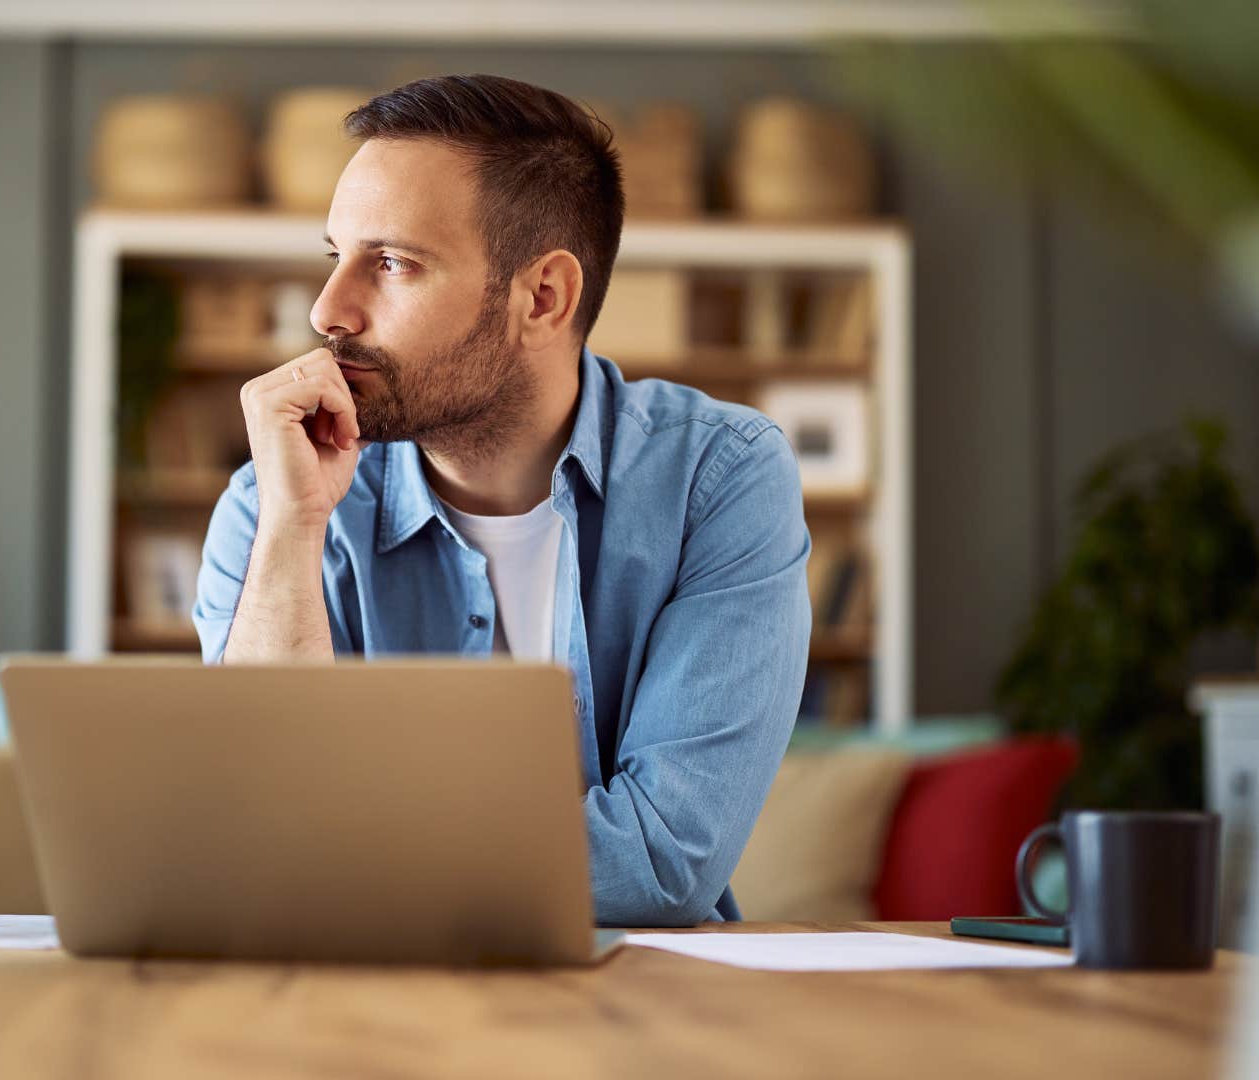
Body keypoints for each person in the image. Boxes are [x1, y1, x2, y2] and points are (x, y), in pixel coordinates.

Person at [191, 74, 810, 927]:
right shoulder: (275, 499)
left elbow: (662, 865)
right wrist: (292, 532)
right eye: (337, 258)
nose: (328, 310)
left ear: (543, 297)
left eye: (394, 263)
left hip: (636, 1019)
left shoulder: (720, 479)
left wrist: (335, 848)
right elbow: (244, 833)